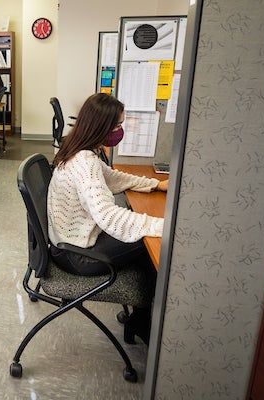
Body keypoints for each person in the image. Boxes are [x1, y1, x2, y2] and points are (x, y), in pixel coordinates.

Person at [47, 93, 168, 343]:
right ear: (100, 126)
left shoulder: (78, 149)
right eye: (117, 126)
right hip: (78, 255)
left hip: (66, 244)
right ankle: (143, 321)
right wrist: (162, 225)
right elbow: (108, 216)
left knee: (139, 230)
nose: (119, 131)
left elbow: (113, 178)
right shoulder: (85, 163)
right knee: (148, 242)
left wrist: (155, 184)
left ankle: (141, 318)